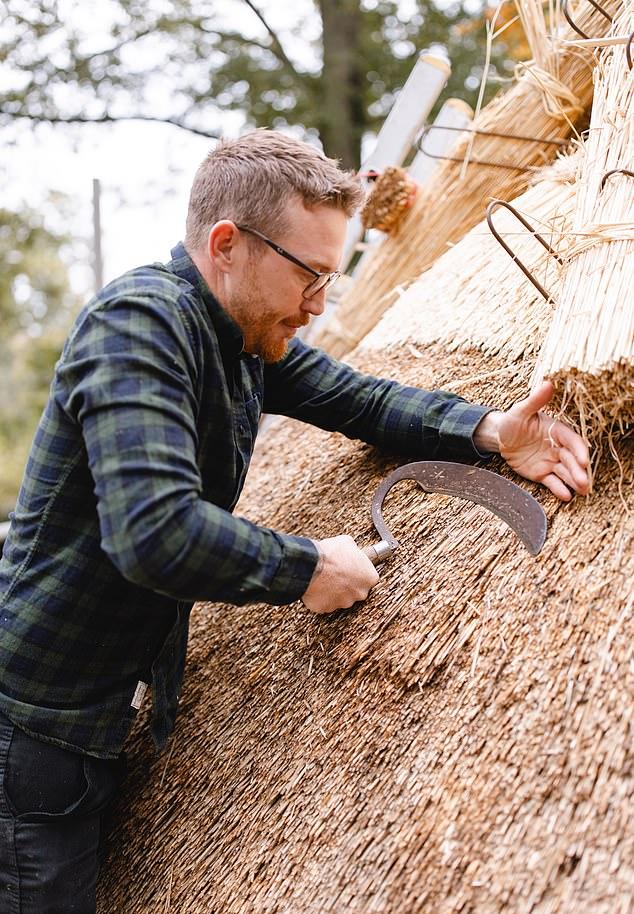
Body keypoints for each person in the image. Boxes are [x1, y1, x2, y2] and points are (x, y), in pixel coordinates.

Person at [0, 129, 589, 912]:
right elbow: (154, 530)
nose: (317, 307)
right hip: (32, 737)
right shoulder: (139, 326)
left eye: (330, 281)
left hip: (90, 732)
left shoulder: (244, 339)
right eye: (308, 276)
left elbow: (361, 399)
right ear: (227, 246)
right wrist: (306, 567)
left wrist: (489, 432)